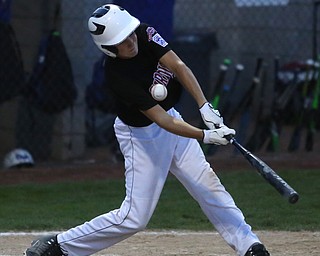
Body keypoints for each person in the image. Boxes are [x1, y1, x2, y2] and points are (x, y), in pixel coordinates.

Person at [25, 4, 270, 256]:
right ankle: (60, 245)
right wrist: (205, 135)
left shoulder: (143, 32)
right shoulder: (117, 76)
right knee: (134, 217)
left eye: (130, 33)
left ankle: (249, 245)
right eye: (122, 40)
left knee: (207, 185)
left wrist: (204, 106)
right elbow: (161, 120)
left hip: (174, 120)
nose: (131, 40)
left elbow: (178, 66)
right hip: (141, 136)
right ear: (109, 48)